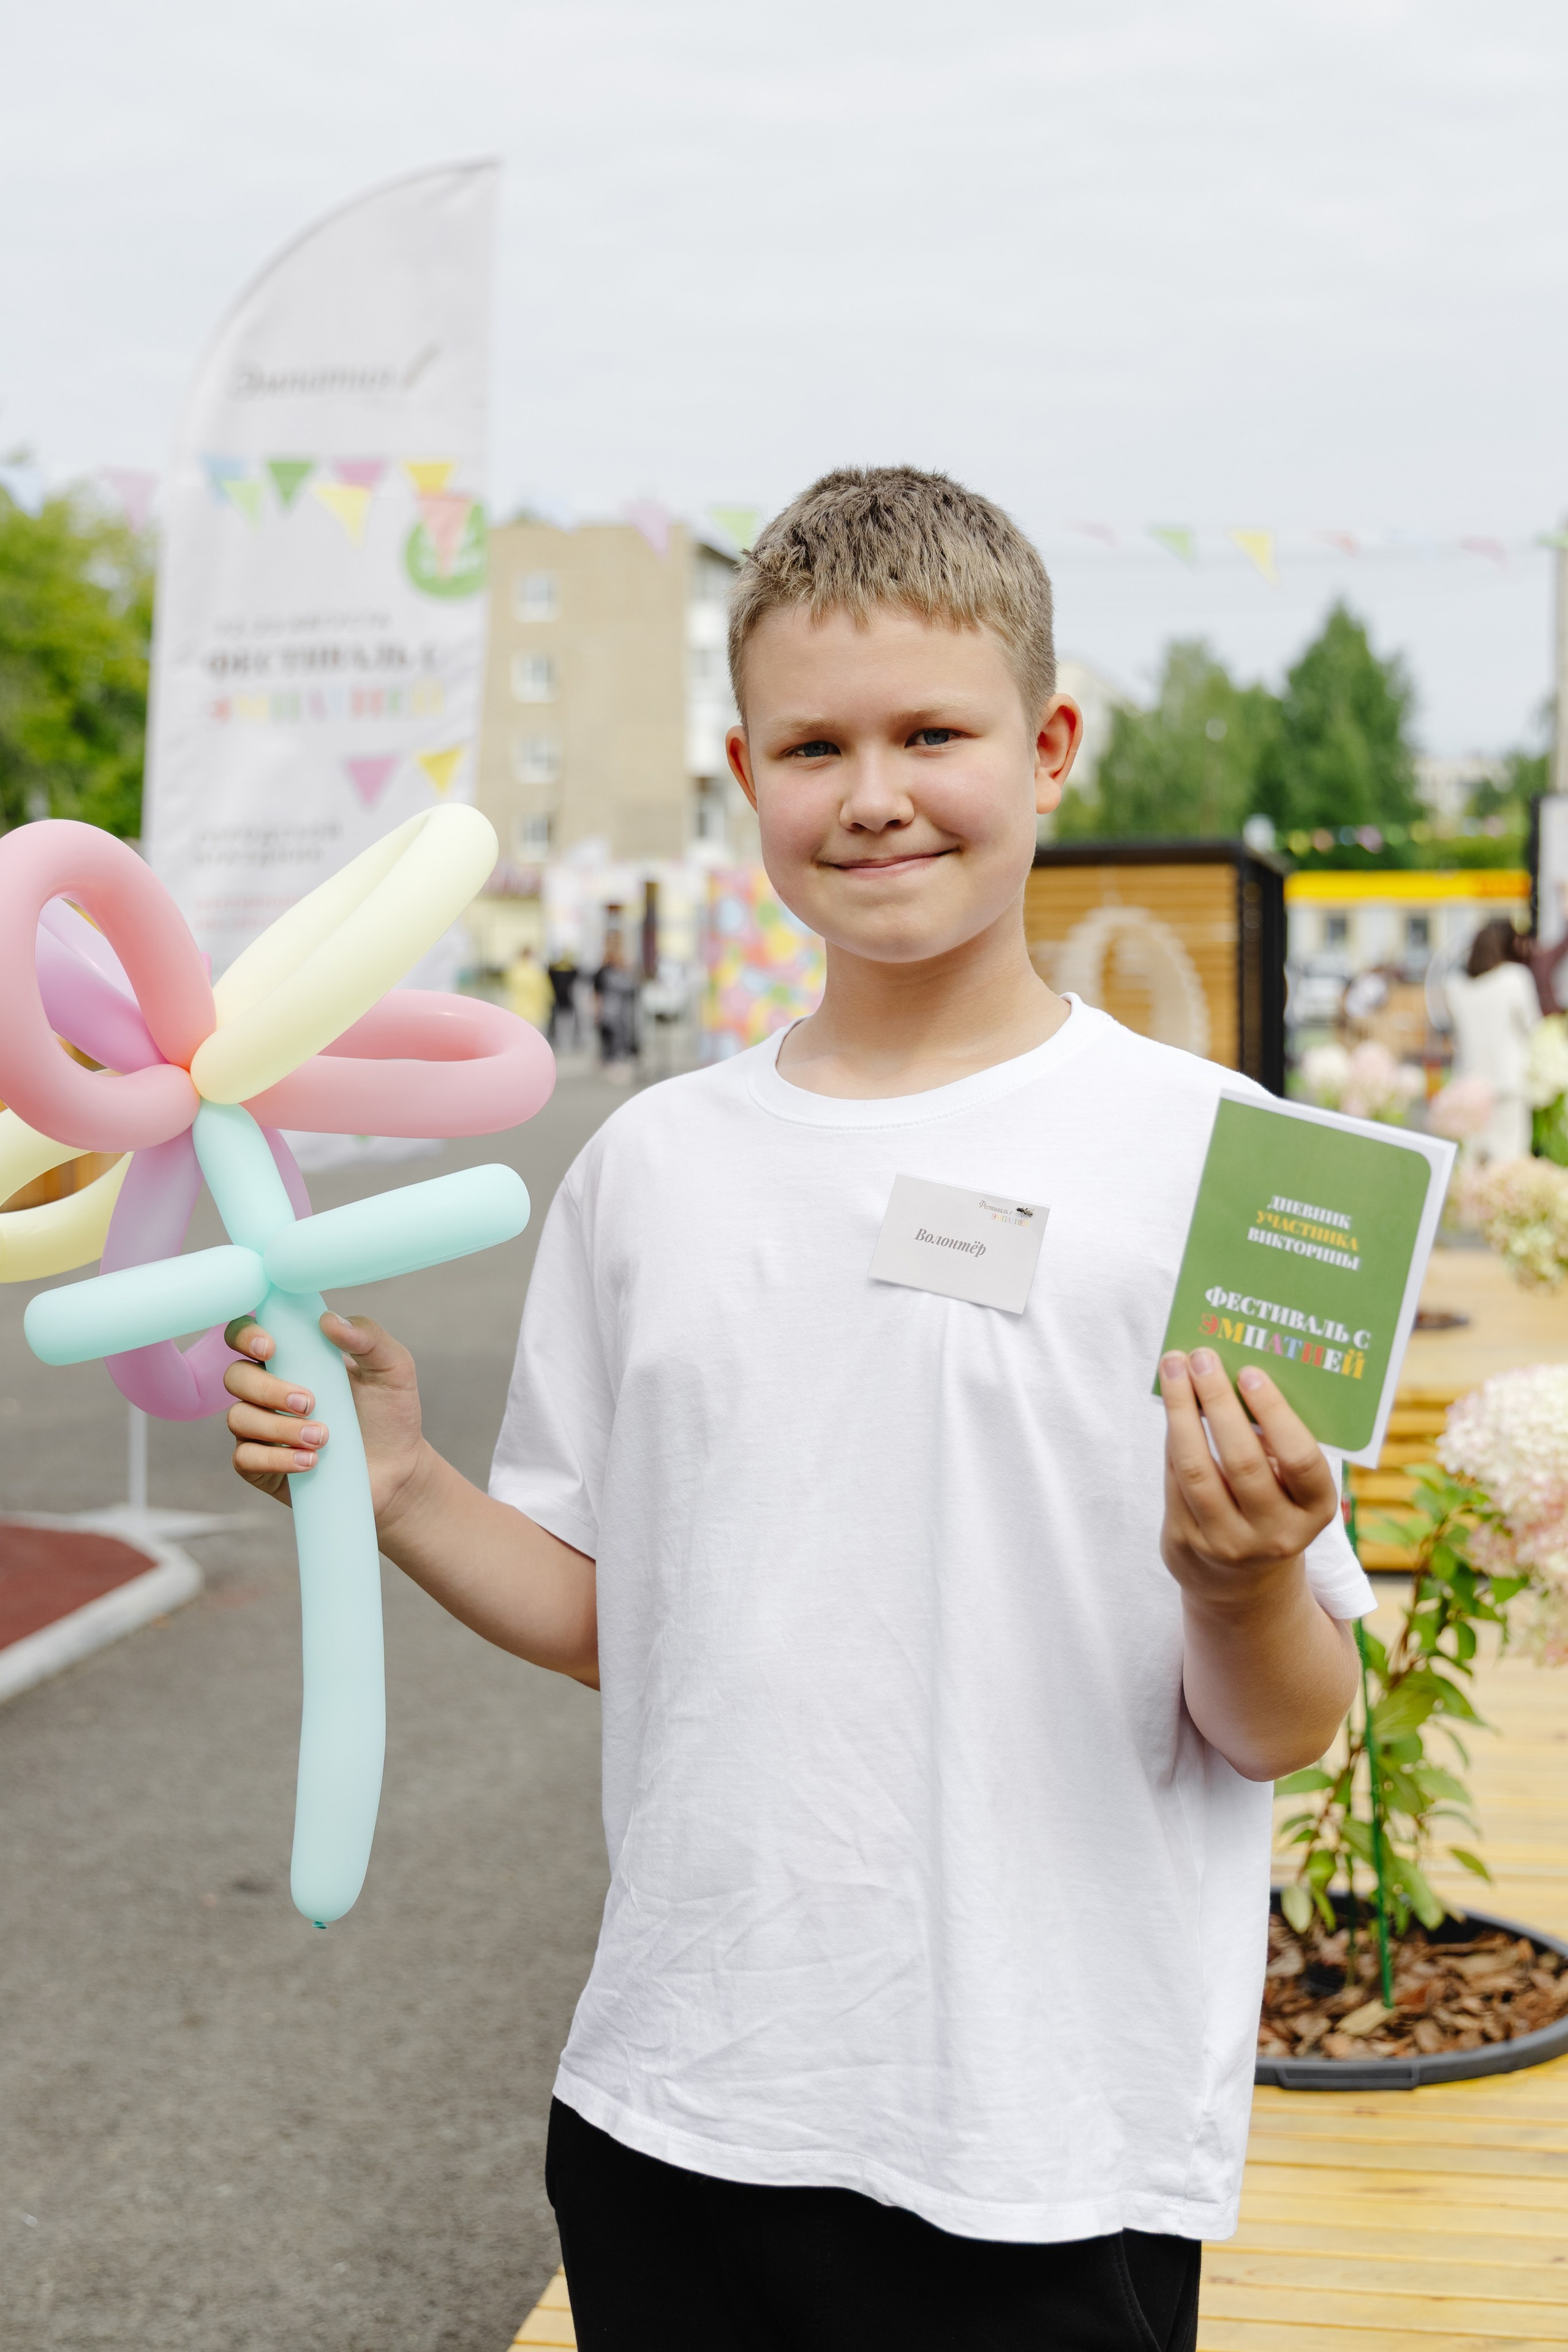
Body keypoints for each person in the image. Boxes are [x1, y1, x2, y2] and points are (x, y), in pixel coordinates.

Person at [221, 467, 1369, 2352]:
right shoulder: (654, 1168)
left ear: (1051, 741)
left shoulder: (1227, 1164)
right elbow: (624, 1616)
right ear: (745, 774)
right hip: (679, 2097)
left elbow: (1285, 1724)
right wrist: (405, 1477)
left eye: (933, 731)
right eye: (813, 744)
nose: (874, 792)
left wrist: (1243, 1584)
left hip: (1040, 2132)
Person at [1444, 918, 1540, 1159]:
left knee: (1472, 1163)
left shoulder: (1455, 987)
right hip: (1509, 1084)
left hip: (1470, 1085)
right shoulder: (1516, 978)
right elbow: (1534, 1028)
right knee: (1510, 1160)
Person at [592, 935, 641, 1081]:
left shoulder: (619, 973)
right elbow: (598, 993)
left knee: (616, 1038)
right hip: (612, 1011)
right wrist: (597, 1010)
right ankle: (613, 1064)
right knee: (613, 1039)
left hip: (619, 1012)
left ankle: (613, 1062)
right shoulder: (608, 973)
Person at [504, 944, 553, 1032]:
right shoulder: (536, 972)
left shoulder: (514, 970)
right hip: (535, 1013)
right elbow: (546, 991)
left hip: (518, 1011)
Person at [548, 954, 581, 1051]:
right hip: (560, 1003)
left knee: (565, 1025)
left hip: (565, 1003)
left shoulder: (568, 972)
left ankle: (566, 1044)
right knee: (562, 1025)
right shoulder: (556, 972)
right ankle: (563, 1044)